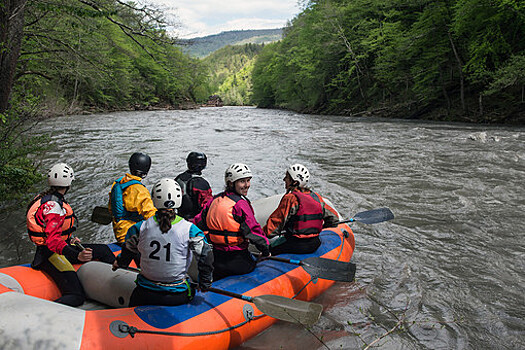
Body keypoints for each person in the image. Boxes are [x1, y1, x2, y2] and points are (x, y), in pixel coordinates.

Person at [113, 178, 213, 307]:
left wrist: (120, 262)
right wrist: (205, 282)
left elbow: (128, 250)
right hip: (177, 295)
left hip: (144, 293)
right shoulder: (190, 230)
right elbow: (206, 256)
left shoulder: (140, 227)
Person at [26, 163, 115, 307]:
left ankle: (114, 284)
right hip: (50, 254)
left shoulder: (47, 198)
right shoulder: (53, 206)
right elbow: (53, 241)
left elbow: (52, 231)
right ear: (68, 184)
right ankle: (40, 313)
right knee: (76, 296)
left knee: (104, 250)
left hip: (61, 246)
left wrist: (69, 239)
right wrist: (77, 256)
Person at [194, 163, 270, 280]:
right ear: (231, 183)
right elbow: (254, 232)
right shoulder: (240, 205)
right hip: (239, 262)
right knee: (259, 263)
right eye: (242, 181)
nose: (247, 185)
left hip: (217, 262)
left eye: (248, 180)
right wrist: (266, 251)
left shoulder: (214, 200)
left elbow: (198, 222)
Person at [263, 164, 339, 256]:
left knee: (268, 249)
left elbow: (272, 228)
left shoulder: (291, 199)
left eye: (287, 177)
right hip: (315, 243)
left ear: (294, 182)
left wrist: (258, 236)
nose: (284, 180)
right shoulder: (317, 197)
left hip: (295, 245)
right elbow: (334, 219)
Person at [109, 152, 157, 244]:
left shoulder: (118, 183)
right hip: (132, 235)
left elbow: (111, 209)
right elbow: (150, 215)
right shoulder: (139, 190)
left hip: (119, 231)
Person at [175, 152, 213, 220]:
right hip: (195, 221)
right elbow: (208, 206)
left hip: (179, 217)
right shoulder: (202, 184)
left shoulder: (178, 179)